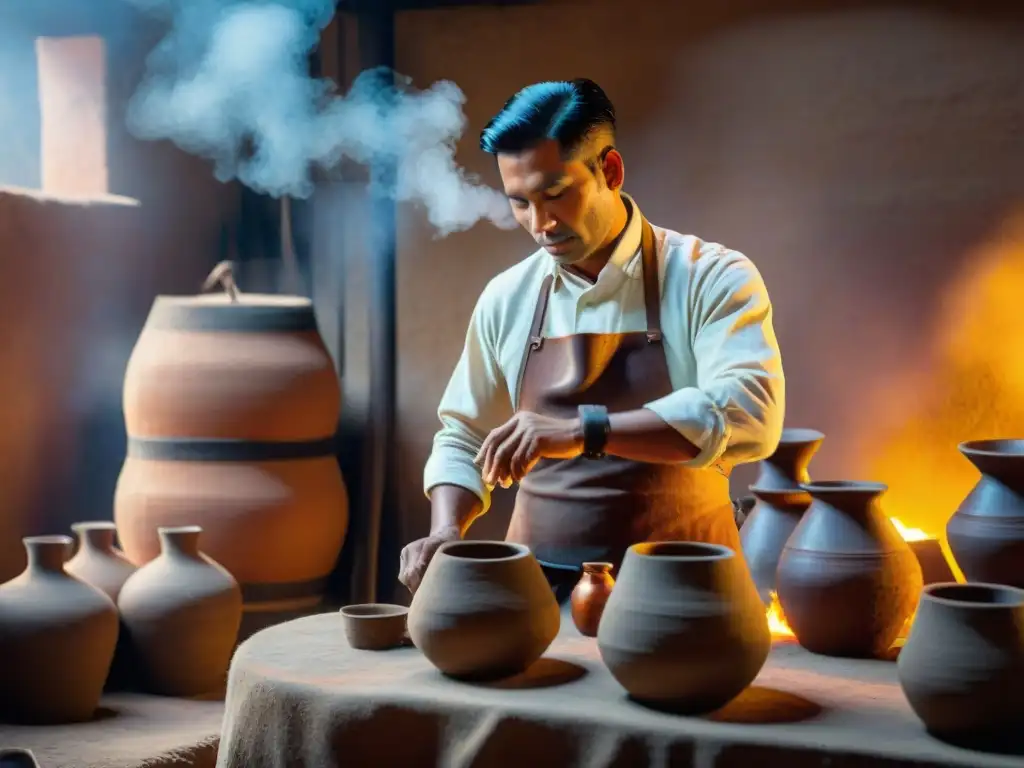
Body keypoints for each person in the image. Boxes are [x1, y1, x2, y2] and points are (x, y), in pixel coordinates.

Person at [398, 78, 785, 602]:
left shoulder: (710, 277)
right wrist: (447, 527)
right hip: (534, 602)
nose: (540, 224)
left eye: (555, 194)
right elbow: (464, 435)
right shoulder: (508, 297)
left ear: (610, 171)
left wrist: (584, 430)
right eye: (520, 203)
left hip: (689, 598)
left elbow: (749, 411)